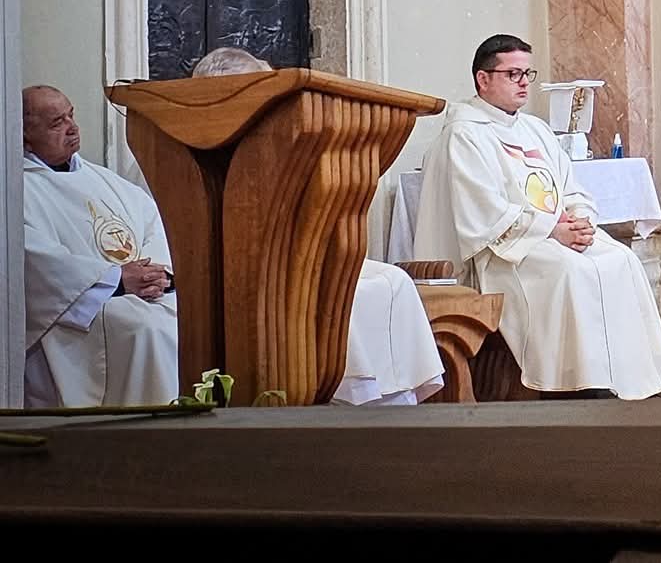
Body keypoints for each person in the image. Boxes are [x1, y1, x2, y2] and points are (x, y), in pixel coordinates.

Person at [415, 34, 661, 399]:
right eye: (513, 74)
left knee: (623, 260)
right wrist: (552, 230)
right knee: (570, 271)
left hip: (550, 235)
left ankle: (635, 383)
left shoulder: (534, 129)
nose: (524, 82)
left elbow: (571, 188)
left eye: (527, 73)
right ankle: (578, 385)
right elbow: (483, 213)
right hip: (504, 254)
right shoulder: (463, 135)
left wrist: (581, 219)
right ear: (483, 79)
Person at [190, 46, 445, 405]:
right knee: (338, 292)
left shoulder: (276, 140)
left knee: (392, 281)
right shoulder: (189, 147)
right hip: (244, 269)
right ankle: (348, 397)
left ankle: (391, 401)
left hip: (298, 254)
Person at [21, 85, 179, 408]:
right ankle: (141, 431)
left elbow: (153, 224)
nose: (72, 128)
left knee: (184, 319)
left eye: (71, 115)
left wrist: (156, 276)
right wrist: (117, 280)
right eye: (57, 123)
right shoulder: (17, 188)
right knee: (144, 329)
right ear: (25, 136)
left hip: (136, 296)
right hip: (76, 315)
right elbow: (34, 261)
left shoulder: (106, 181)